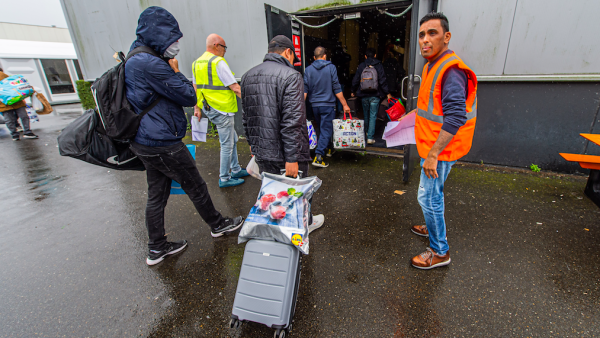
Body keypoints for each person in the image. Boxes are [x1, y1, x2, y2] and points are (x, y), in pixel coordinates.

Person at [124, 7, 243, 266]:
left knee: (157, 193)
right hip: (161, 141)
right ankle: (218, 224)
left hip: (145, 139)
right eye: (173, 39)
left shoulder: (134, 58)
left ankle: (157, 248)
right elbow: (188, 95)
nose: (176, 45)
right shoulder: (151, 63)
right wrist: (175, 70)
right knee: (196, 185)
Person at [407, 12, 478, 269]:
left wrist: (433, 155)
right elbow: (434, 107)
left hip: (441, 149)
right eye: (422, 35)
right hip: (436, 144)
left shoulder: (451, 70)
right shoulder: (432, 65)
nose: (425, 40)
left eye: (432, 33)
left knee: (428, 198)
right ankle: (431, 225)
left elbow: (456, 116)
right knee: (433, 195)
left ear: (446, 37)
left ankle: (440, 251)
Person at [241, 35, 324, 233]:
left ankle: (276, 225)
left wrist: (253, 145)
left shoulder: (247, 76)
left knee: (271, 190)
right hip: (285, 153)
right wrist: (292, 157)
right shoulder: (291, 76)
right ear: (288, 52)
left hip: (263, 151)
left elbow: (247, 117)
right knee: (297, 191)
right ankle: (304, 223)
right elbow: (293, 121)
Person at [193, 34, 248, 188]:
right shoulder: (218, 62)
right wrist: (254, 102)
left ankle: (236, 169)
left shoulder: (196, 63)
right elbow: (236, 88)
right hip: (223, 109)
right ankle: (224, 178)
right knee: (227, 144)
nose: (225, 51)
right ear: (216, 45)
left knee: (233, 139)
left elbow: (195, 87)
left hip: (209, 108)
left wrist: (197, 107)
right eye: (224, 47)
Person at [303, 46, 351, 168]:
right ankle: (318, 156)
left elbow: (305, 90)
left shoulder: (308, 70)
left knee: (322, 128)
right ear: (325, 56)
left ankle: (328, 149)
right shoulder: (331, 67)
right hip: (328, 105)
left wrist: (299, 106)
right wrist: (345, 104)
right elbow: (336, 87)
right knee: (326, 129)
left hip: (315, 106)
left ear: (314, 57)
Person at [351, 48, 392, 145]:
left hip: (364, 94)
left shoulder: (361, 65)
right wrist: (387, 92)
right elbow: (382, 80)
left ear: (365, 56)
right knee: (373, 116)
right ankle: (370, 137)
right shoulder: (378, 65)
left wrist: (353, 90)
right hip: (375, 94)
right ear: (375, 55)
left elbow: (356, 79)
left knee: (366, 115)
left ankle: (365, 135)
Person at [0, 68, 38, 141]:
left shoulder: (2, 75)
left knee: (9, 120)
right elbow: (15, 85)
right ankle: (27, 132)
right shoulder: (3, 75)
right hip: (15, 100)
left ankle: (15, 134)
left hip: (4, 102)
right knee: (23, 116)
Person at [330, 43, 351, 113]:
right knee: (340, 97)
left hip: (334, 79)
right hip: (341, 79)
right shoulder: (343, 57)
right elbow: (349, 57)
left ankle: (334, 112)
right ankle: (339, 113)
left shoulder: (334, 58)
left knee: (332, 98)